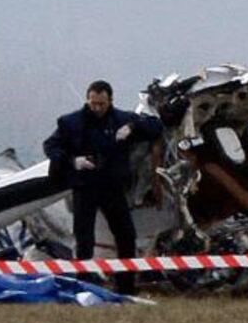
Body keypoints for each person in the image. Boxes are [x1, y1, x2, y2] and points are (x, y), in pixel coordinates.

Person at [43, 80, 163, 295]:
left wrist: (133, 127)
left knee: (126, 236)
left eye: (102, 104)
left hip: (112, 187)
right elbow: (50, 146)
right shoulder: (70, 122)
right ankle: (82, 285)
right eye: (93, 103)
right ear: (88, 100)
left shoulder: (122, 119)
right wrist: (72, 161)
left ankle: (125, 287)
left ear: (110, 101)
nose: (97, 108)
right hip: (84, 186)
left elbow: (156, 126)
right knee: (84, 239)